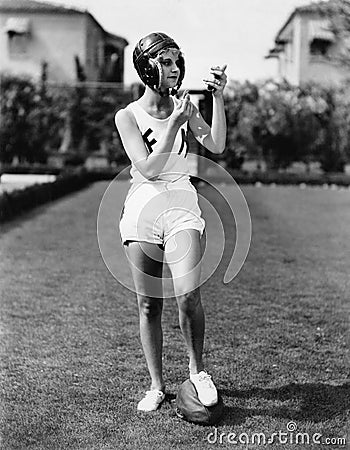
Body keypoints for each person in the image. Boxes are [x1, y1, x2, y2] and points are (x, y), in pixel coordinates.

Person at [115, 32, 227, 412]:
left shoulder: (185, 107)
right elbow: (146, 169)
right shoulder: (127, 115)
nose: (175, 67)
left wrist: (217, 98)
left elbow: (216, 145)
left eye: (177, 59)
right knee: (148, 305)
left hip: (181, 204)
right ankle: (156, 385)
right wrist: (172, 125)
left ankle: (197, 371)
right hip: (143, 206)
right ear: (147, 67)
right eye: (165, 61)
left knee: (188, 295)